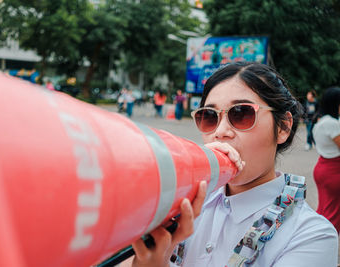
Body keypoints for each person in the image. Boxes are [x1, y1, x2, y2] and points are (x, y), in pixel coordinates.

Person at [127, 62, 338, 267]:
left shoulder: (312, 236)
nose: (220, 131)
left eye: (241, 114)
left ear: (283, 126)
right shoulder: (184, 206)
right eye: (209, 116)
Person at [313, 87, 340, 233]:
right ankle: (323, 242)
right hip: (334, 171)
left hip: (323, 167)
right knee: (333, 215)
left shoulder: (320, 121)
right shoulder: (333, 124)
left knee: (324, 209)